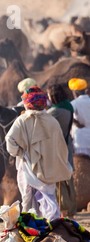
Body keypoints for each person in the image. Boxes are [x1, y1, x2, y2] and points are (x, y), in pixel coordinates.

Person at [6, 86, 73, 221]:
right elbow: (59, 145)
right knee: (48, 195)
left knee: (28, 197)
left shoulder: (22, 120)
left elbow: (10, 140)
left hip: (28, 165)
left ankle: (32, 226)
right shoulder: (51, 120)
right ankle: (52, 224)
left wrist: (20, 152)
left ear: (27, 103)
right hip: (49, 165)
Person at [46, 84, 77, 217]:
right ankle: (71, 210)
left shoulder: (54, 112)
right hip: (68, 145)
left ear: (53, 96)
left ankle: (64, 210)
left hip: (58, 149)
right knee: (68, 180)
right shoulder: (69, 107)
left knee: (60, 182)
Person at [69, 78, 90, 157]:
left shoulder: (74, 103)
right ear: (85, 90)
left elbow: (68, 115)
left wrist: (75, 122)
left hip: (80, 139)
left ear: (75, 93)